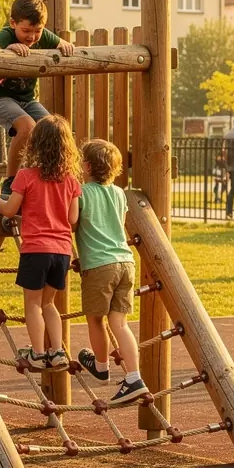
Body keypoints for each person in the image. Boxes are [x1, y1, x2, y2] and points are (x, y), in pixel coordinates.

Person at [0, 116, 82, 370]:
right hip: (62, 252)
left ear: (35, 145)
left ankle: (37, 353)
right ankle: (57, 351)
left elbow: (9, 209)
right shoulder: (71, 180)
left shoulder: (26, 176)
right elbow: (72, 218)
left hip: (36, 250)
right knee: (49, 304)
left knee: (33, 304)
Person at [73, 139, 150, 406]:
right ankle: (134, 377)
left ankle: (101, 366)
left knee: (95, 320)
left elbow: (72, 222)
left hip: (99, 264)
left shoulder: (81, 192)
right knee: (120, 323)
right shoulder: (118, 193)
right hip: (125, 262)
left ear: (85, 166)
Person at [0, 0, 75, 198]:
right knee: (27, 127)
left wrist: (64, 45)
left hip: (26, 99)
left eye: (37, 31)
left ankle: (50, 175)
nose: (32, 37)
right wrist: (8, 49)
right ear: (13, 23)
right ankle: (10, 180)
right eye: (26, 31)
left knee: (54, 127)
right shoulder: (7, 34)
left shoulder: (42, 36)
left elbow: (62, 43)